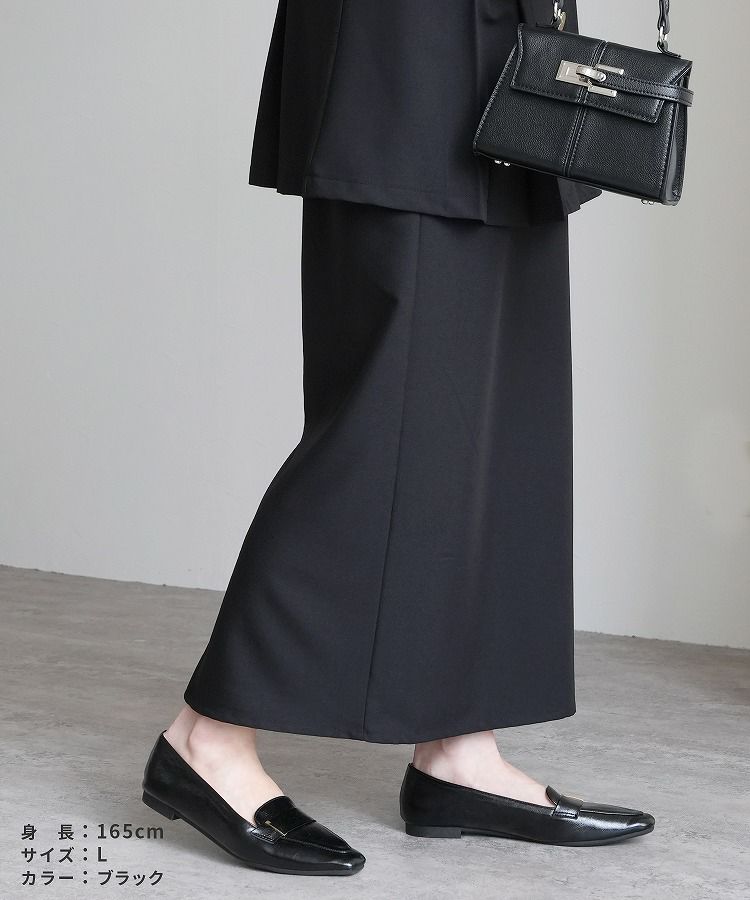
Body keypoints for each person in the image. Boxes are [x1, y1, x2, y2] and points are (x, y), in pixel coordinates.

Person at [141, 0, 655, 876]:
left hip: (513, 64)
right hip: (408, 65)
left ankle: (459, 752)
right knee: (388, 428)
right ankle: (207, 739)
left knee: (494, 417)